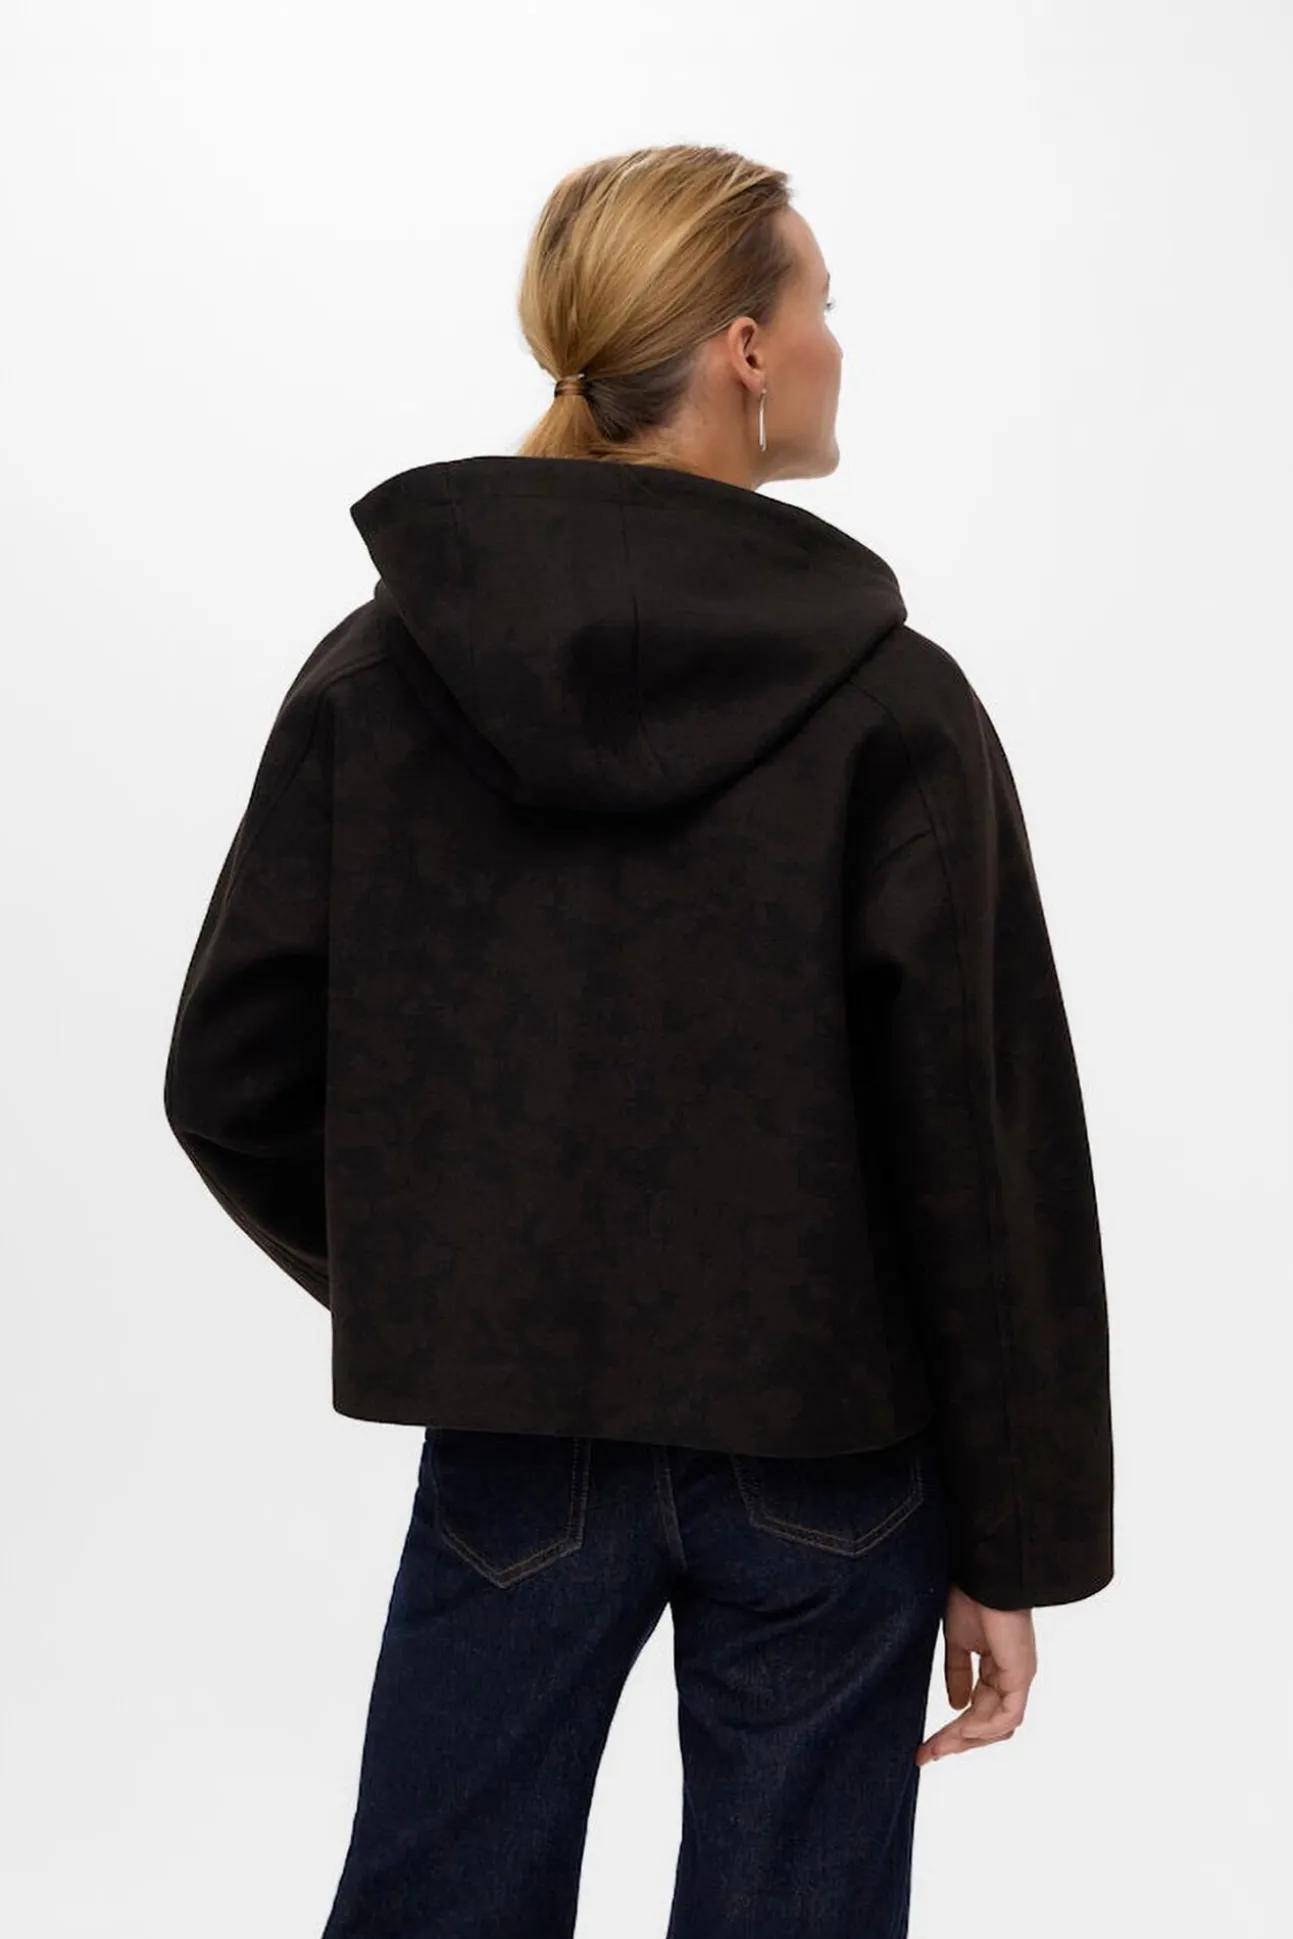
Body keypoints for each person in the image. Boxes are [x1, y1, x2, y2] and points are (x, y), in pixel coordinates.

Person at [162, 143, 1114, 1938]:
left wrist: (463, 1277)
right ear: (746, 350)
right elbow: (988, 1159)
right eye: (820, 303)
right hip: (830, 1451)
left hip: (522, 1425)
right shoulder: (893, 710)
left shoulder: (384, 675)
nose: (837, 341)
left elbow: (231, 1075)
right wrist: (1016, 1540)